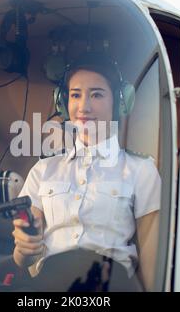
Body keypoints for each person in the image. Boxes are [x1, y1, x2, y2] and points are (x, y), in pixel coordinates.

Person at [12, 53, 161, 291]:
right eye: (75, 95)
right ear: (63, 102)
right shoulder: (43, 170)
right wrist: (24, 248)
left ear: (119, 103)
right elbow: (23, 261)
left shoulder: (140, 170)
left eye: (97, 94)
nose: (84, 107)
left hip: (109, 285)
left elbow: (153, 262)